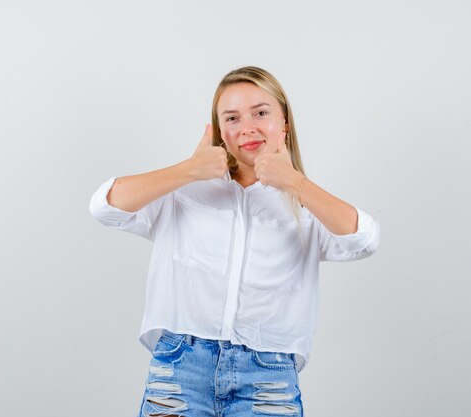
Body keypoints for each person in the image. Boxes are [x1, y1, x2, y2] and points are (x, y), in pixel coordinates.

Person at [88, 66, 380, 417]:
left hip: (267, 376)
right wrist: (189, 170)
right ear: (220, 131)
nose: (247, 128)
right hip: (181, 368)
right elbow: (105, 205)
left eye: (261, 112)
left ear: (284, 122)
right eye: (232, 118)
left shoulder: (303, 207)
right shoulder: (185, 193)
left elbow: (364, 238)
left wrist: (295, 183)